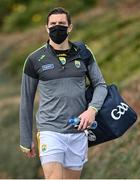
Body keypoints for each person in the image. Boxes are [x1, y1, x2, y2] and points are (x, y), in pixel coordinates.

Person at [19, 7, 107, 179]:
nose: (56, 27)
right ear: (46, 27)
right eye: (53, 24)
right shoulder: (34, 59)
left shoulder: (83, 53)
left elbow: (101, 85)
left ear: (70, 27)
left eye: (61, 23)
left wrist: (92, 110)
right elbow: (26, 101)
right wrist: (25, 138)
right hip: (49, 131)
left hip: (78, 132)